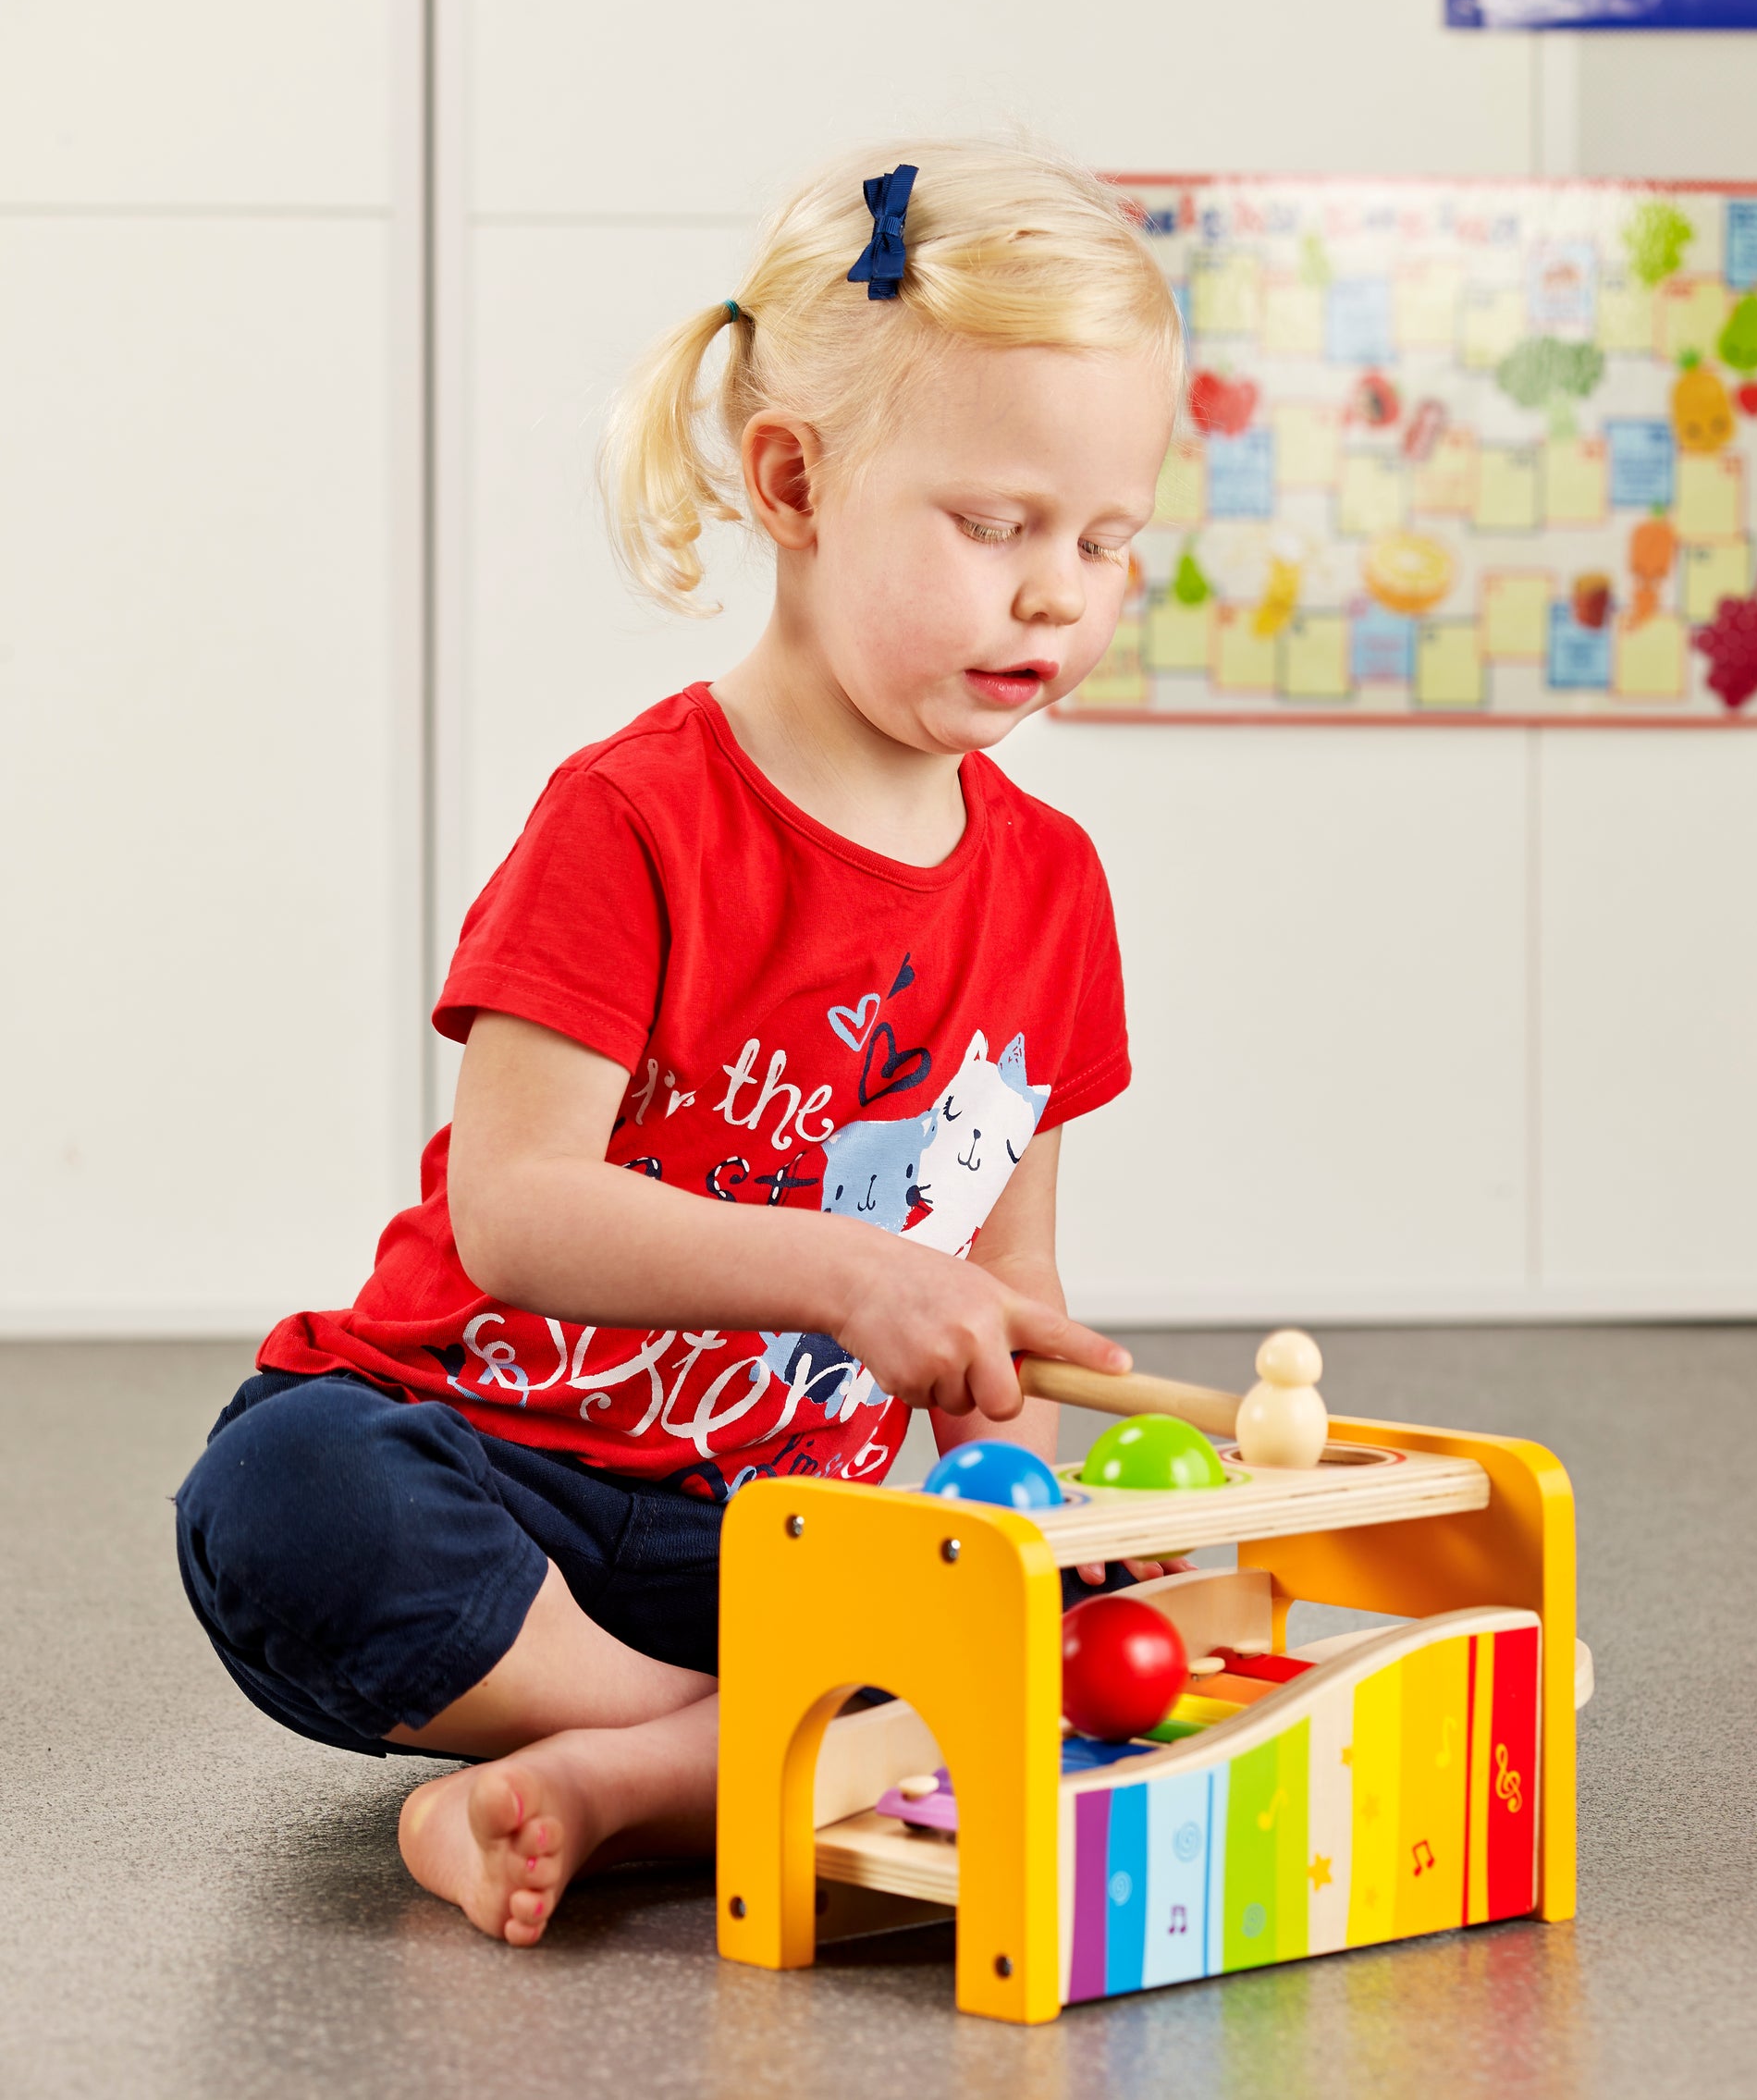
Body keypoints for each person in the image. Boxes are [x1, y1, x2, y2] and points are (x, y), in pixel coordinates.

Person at [174, 140, 1183, 1945]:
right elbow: (517, 1210)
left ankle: (617, 1787)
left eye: (1107, 540)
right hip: (495, 1470)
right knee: (283, 1499)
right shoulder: (632, 820)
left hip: (779, 1538)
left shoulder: (1057, 889)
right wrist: (845, 1275)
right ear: (793, 481)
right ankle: (751, 1758)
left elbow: (1001, 1283)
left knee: (1065, 1594)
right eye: (997, 525)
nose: (1059, 594)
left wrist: (1010, 1427)